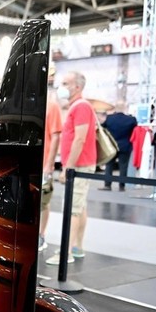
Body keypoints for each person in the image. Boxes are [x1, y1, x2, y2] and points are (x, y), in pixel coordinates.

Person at [46, 71, 97, 265]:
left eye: (66, 83)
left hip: (79, 166)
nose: (62, 87)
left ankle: (65, 252)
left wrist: (69, 167)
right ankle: (77, 247)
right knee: (79, 207)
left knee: (73, 209)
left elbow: (80, 138)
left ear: (77, 87)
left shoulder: (81, 106)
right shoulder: (77, 106)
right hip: (80, 165)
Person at [39, 87, 63, 252]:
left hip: (43, 162)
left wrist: (49, 164)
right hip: (26, 162)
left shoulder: (51, 106)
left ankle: (41, 235)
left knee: (42, 201)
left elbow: (56, 136)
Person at [98, 100, 137, 191]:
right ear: (125, 108)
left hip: (112, 146)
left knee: (109, 165)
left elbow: (102, 128)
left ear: (115, 108)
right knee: (123, 166)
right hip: (125, 146)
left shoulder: (109, 118)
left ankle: (107, 185)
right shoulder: (131, 120)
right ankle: (121, 186)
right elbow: (135, 131)